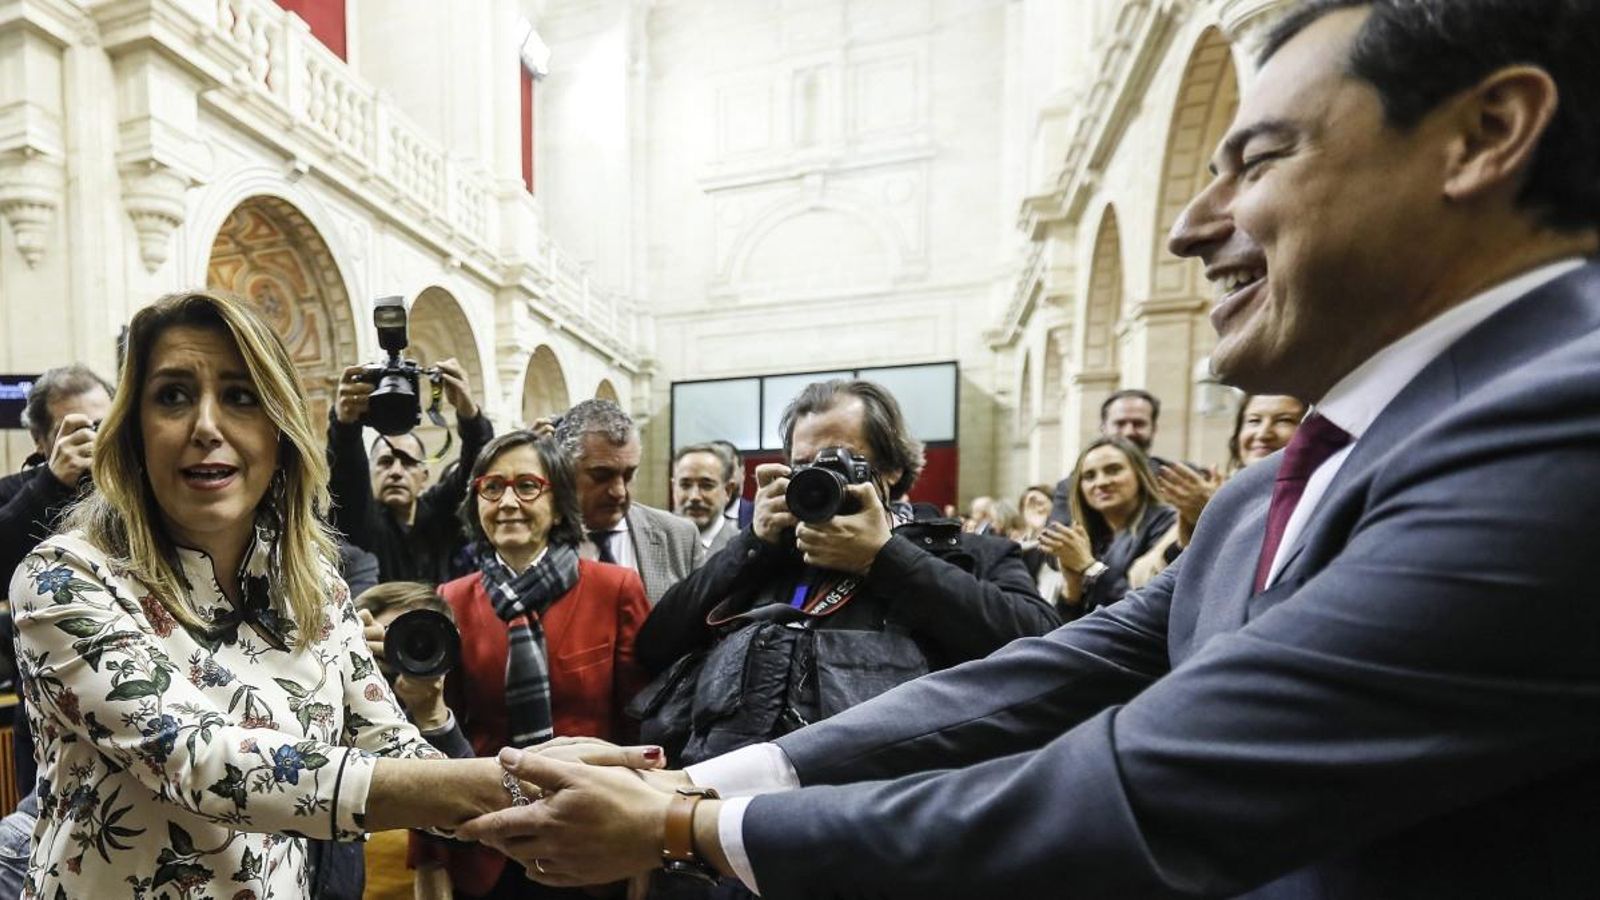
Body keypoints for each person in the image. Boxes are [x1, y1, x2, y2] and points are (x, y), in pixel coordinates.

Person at [452, 2, 1600, 896]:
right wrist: (703, 777)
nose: (1194, 228)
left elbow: (1149, 785)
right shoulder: (1262, 499)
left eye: (1255, 161)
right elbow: (1052, 674)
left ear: (1483, 137)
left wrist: (683, 827)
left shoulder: (1559, 424)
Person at [7, 291, 538, 898]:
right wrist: (501, 786)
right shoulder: (65, 575)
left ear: (280, 432)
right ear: (133, 431)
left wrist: (539, 784)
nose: (206, 426)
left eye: (240, 396)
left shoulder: (315, 583)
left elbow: (388, 741)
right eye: (173, 396)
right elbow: (201, 762)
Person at [633, 379, 1058, 766]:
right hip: (731, 806)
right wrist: (753, 544)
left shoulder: (968, 555)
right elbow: (656, 645)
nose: (819, 477)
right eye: (804, 465)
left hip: (884, 810)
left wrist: (886, 558)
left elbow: (1044, 649)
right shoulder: (768, 556)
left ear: (891, 468)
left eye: (838, 461)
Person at [404, 430, 651, 899]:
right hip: (486, 847)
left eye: (527, 485)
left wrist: (645, 856)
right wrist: (430, 859)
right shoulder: (452, 599)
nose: (508, 501)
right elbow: (431, 732)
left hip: (593, 842)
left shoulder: (614, 590)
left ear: (558, 503)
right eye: (492, 488)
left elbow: (638, 731)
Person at [328, 356, 492, 584]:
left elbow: (476, 469)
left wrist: (470, 414)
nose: (396, 471)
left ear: (424, 477)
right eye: (385, 462)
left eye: (407, 463)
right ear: (371, 472)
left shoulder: (440, 516)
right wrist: (345, 425)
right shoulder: (361, 521)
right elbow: (346, 472)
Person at [353, 582, 464, 900]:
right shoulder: (325, 682)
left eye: (421, 641)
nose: (404, 647)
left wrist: (430, 712)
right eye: (391, 632)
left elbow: (463, 818)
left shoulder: (430, 707)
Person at [553, 400, 702, 604]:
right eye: (601, 475)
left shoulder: (678, 536)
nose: (619, 492)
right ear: (562, 469)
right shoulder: (534, 539)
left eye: (629, 475)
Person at [1038, 437, 1177, 618]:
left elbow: (1150, 611)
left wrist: (1090, 568)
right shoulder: (1090, 534)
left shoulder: (1168, 526)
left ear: (1139, 474)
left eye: (1113, 470)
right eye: (1089, 476)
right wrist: (1072, 587)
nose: (1101, 482)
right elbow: (1065, 630)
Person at [1156, 394, 1307, 549]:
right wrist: (1191, 524)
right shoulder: (1219, 491)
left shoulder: (1314, 498)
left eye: (1284, 420)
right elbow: (1143, 571)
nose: (1263, 434)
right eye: (1254, 421)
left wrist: (1219, 512)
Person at [671, 443, 739, 555]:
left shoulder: (744, 552)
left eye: (706, 485)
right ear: (673, 488)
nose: (694, 497)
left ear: (727, 491)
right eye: (685, 485)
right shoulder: (653, 544)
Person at [708, 440, 754, 530]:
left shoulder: (759, 516)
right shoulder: (687, 520)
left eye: (728, 468)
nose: (721, 476)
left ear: (742, 473)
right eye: (712, 470)